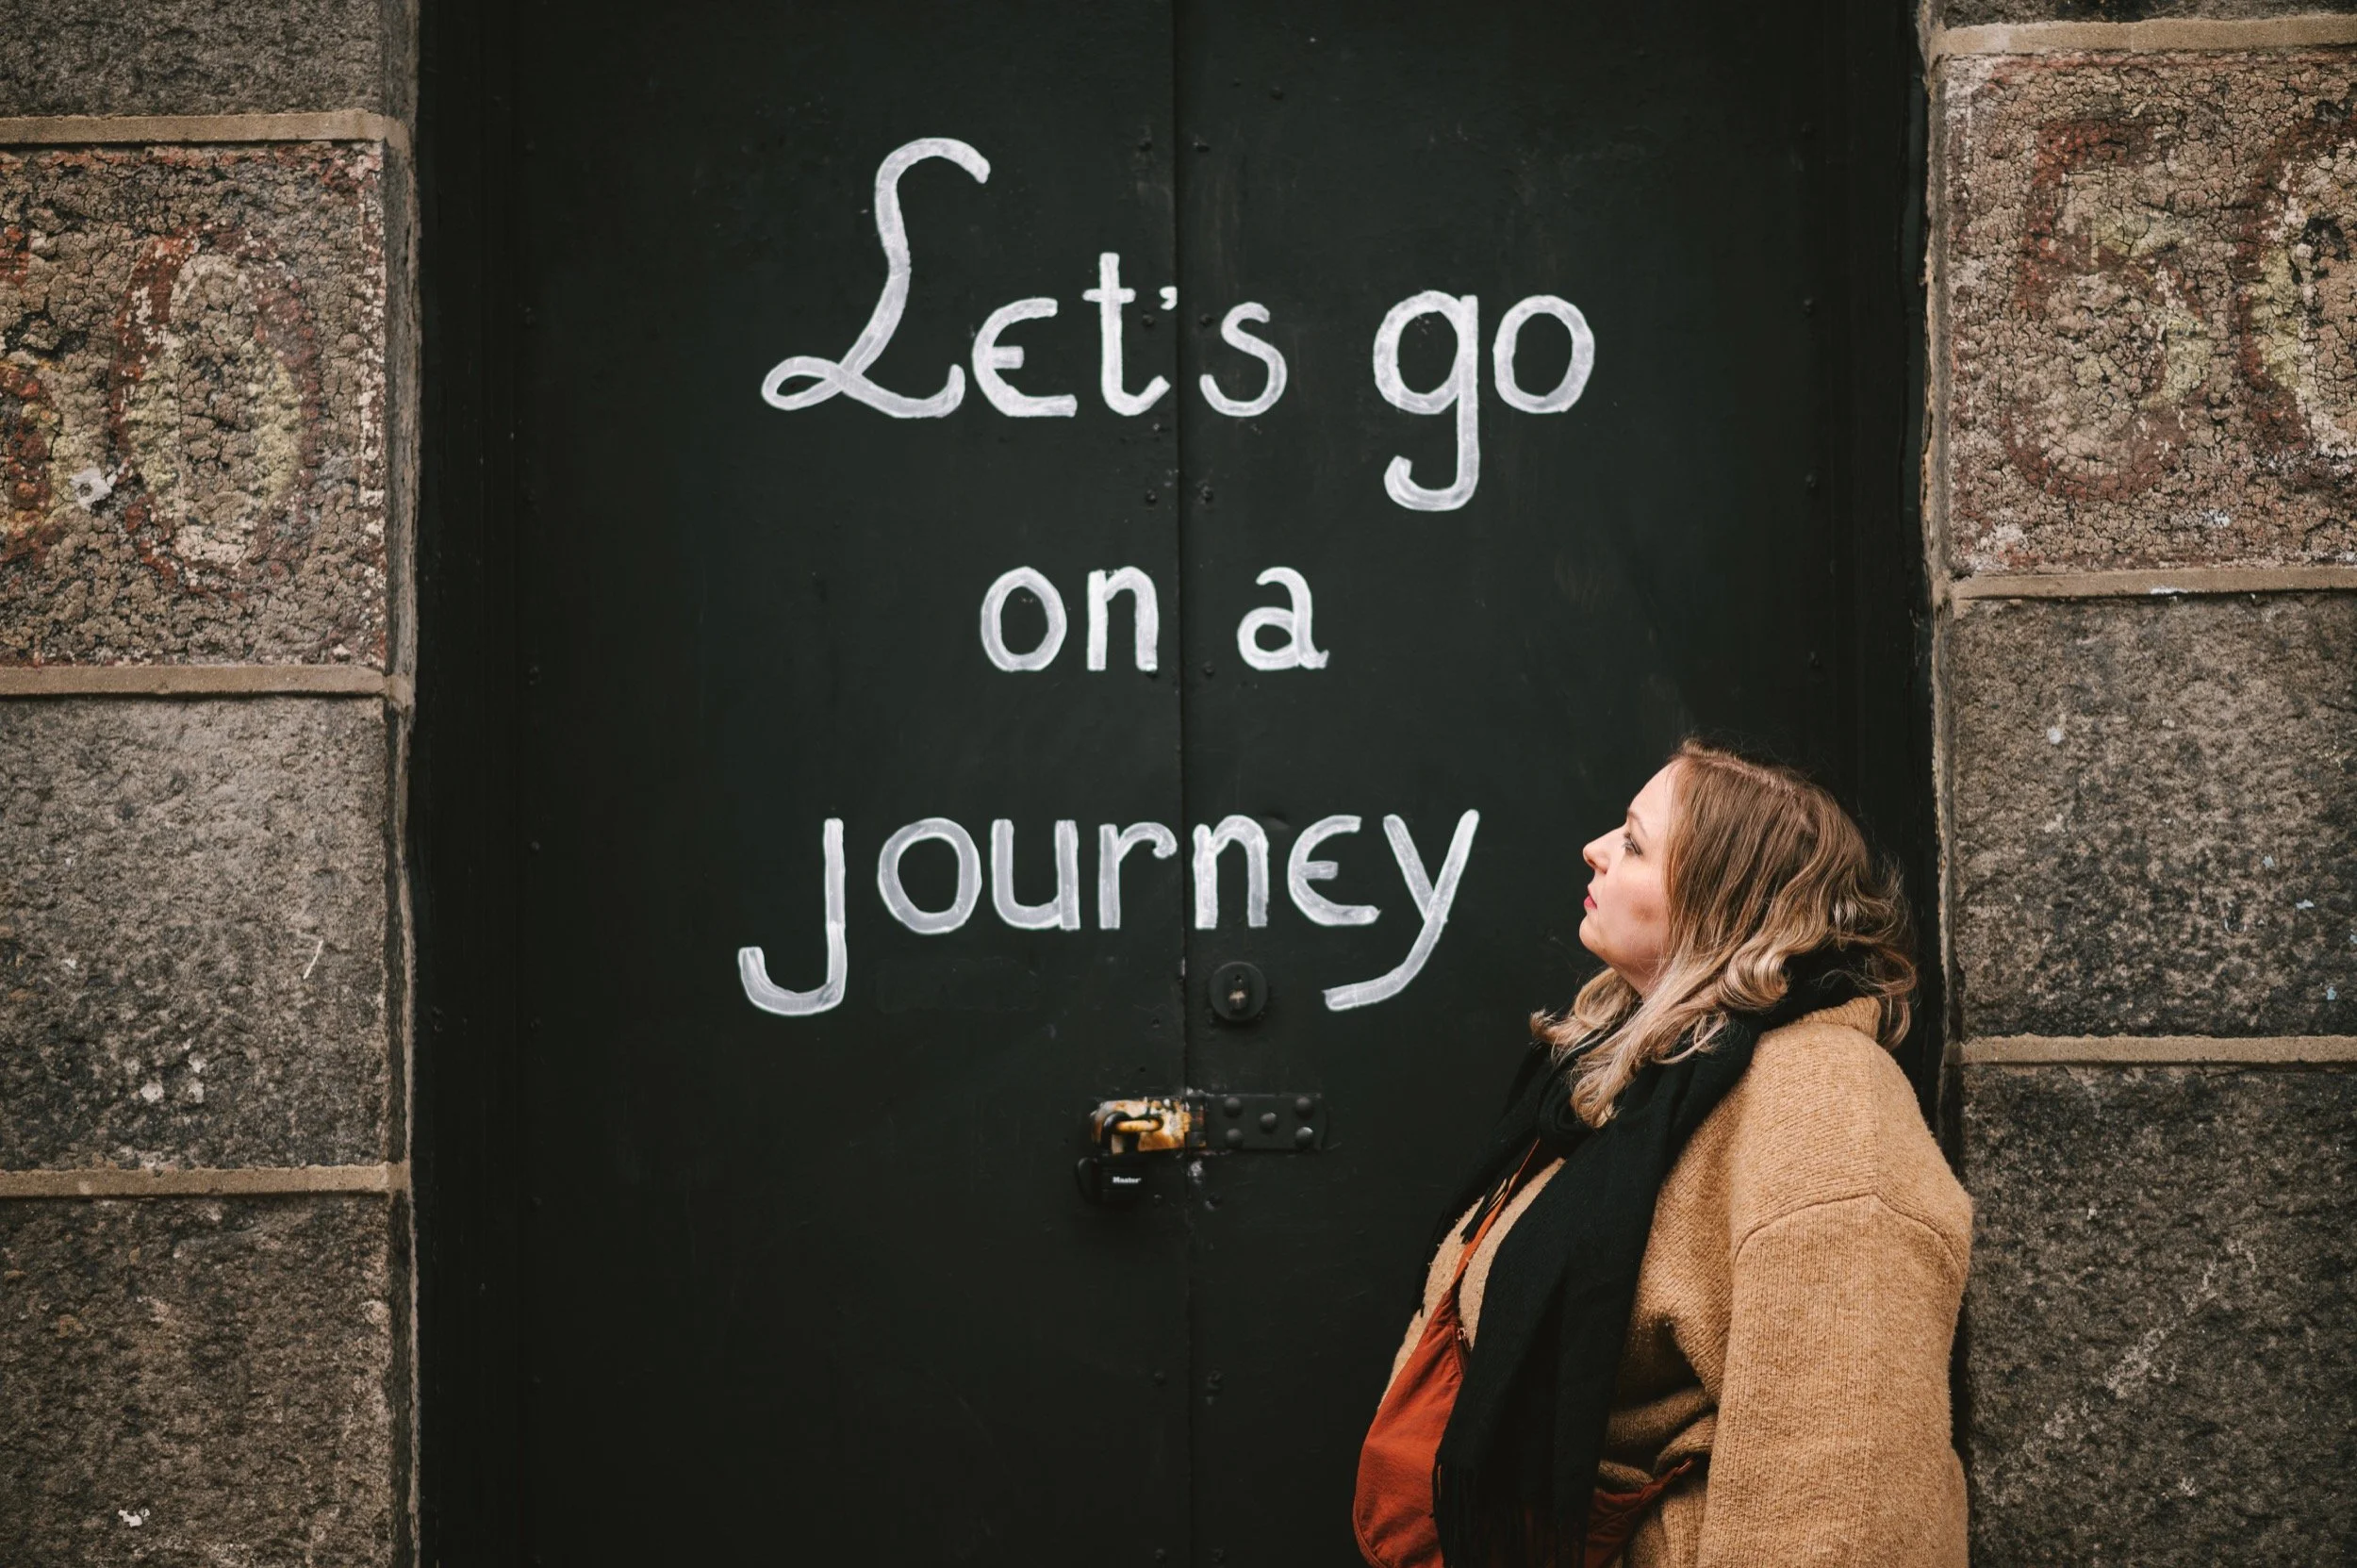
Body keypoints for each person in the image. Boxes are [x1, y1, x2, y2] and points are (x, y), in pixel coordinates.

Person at [1354, 740, 1970, 1568]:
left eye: (1636, 843)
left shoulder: (1827, 1110)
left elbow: (1848, 1497)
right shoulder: (1639, 1074)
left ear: (1725, 906)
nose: (1597, 847)